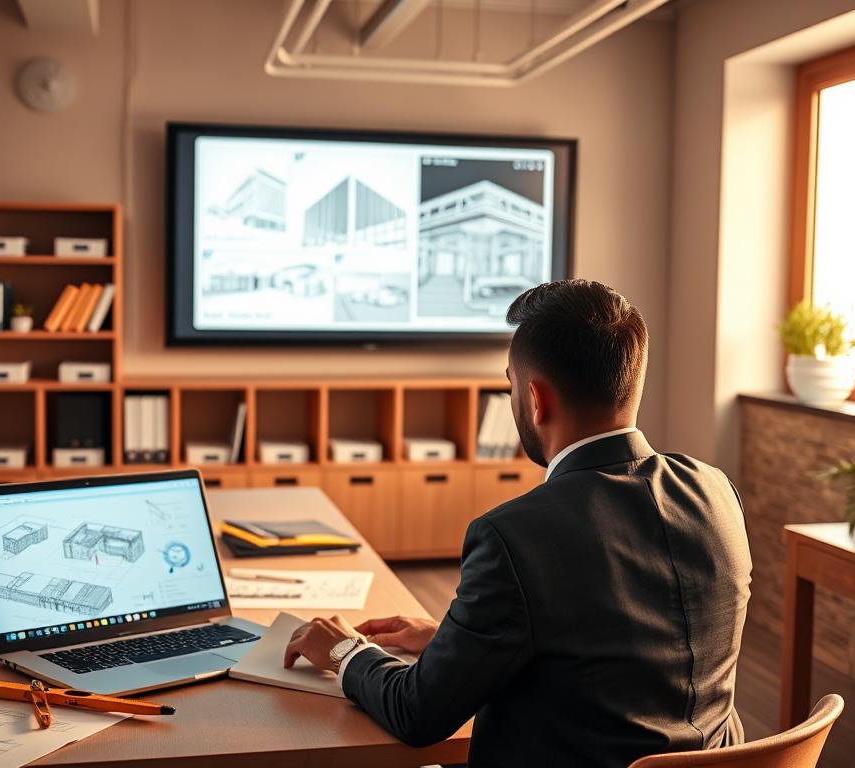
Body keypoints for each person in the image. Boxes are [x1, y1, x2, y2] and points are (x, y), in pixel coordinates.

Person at [284, 279, 752, 768]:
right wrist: (455, 641)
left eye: (509, 384)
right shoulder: (716, 490)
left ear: (535, 399)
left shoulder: (514, 537)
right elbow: (624, 638)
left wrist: (346, 653)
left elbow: (416, 713)